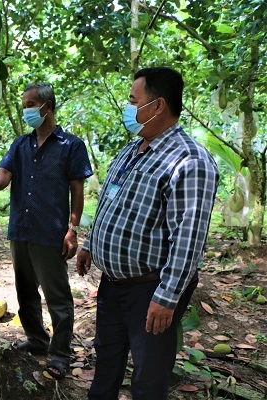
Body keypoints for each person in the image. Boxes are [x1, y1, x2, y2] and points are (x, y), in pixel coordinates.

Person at [76, 67, 219, 400]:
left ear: (157, 106)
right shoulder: (132, 150)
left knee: (149, 377)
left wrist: (166, 298)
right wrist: (89, 245)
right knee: (106, 363)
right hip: (113, 285)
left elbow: (189, 237)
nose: (128, 108)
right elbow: (110, 201)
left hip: (151, 290)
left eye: (132, 100)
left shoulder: (189, 160)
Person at [0, 82, 93, 380]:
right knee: (25, 293)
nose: (26, 110)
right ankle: (37, 340)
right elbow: (4, 174)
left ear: (48, 107)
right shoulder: (20, 144)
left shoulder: (70, 145)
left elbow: (77, 189)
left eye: (31, 104)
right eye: (24, 105)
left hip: (50, 232)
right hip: (20, 229)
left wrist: (72, 229)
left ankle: (60, 354)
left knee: (57, 296)